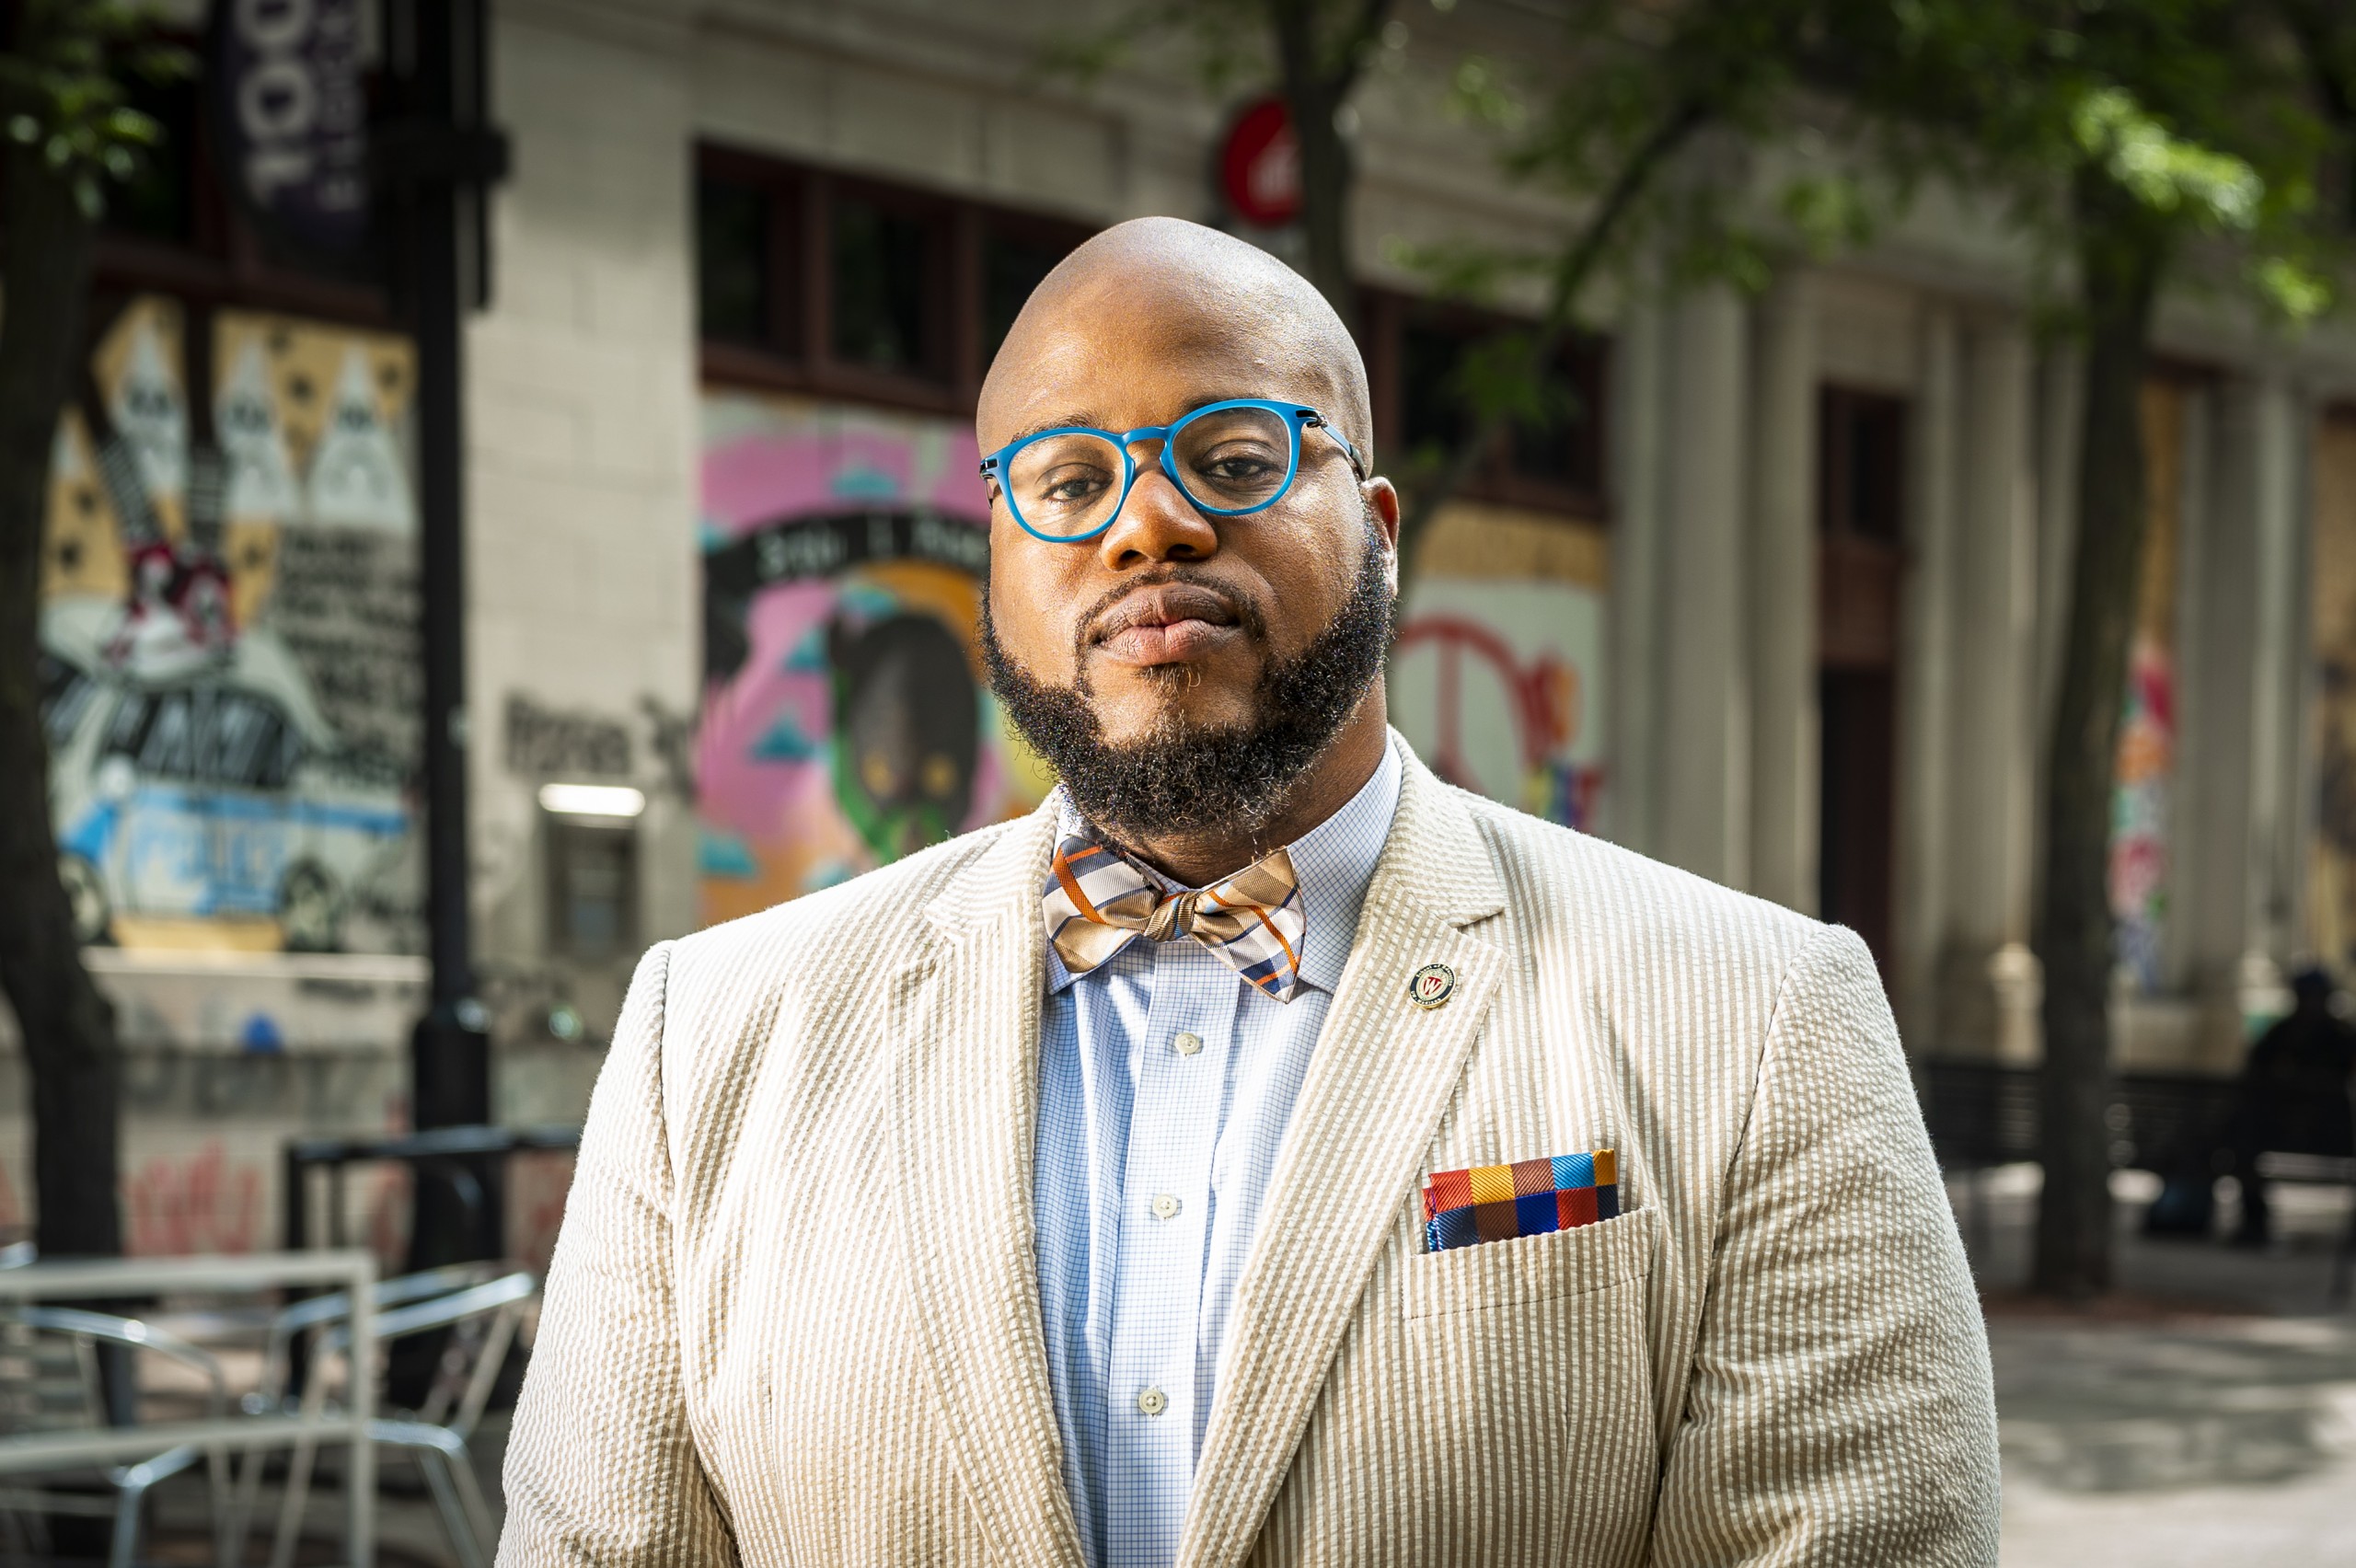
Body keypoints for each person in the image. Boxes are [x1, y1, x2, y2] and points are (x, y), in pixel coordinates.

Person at [498, 217, 1999, 1568]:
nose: (1146, 524)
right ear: (997, 572)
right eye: (1069, 481)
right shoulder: (716, 1037)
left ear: (1382, 531)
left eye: (1232, 457)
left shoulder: (1756, 1015)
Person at [2231, 966, 2356, 1246]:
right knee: (2244, 1136)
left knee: (2242, 1136)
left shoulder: (2285, 1034)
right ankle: (2254, 1224)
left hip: (2313, 1132)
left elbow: (2249, 1078)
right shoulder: (2337, 1036)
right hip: (2317, 1134)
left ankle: (2253, 1224)